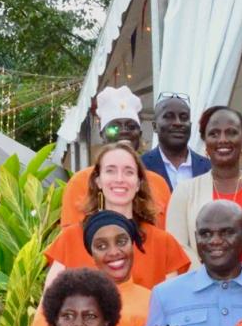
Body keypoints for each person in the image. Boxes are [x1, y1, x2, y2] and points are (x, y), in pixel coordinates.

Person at [43, 142, 192, 290]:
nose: (120, 179)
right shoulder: (71, 238)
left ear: (139, 183)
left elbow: (174, 307)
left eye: (129, 172)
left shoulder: (162, 244)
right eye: (110, 171)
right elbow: (48, 307)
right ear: (98, 181)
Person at [165, 105, 242, 264]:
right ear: (205, 142)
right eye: (214, 133)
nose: (222, 139)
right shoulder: (185, 193)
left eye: (231, 132)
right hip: (199, 286)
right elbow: (175, 249)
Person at [24, 210, 153, 326]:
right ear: (92, 254)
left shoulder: (153, 301)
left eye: (121, 242)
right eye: (101, 246)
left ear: (132, 245)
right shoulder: (64, 300)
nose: (114, 252)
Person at [61, 86, 172, 229]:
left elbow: (167, 238)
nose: (124, 131)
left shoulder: (158, 184)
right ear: (102, 134)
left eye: (131, 126)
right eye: (114, 127)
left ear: (140, 134)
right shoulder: (80, 182)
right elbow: (71, 242)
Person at [141, 93, 211, 192]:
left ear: (190, 125)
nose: (178, 123)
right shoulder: (140, 166)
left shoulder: (209, 168)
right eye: (169, 116)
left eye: (184, 117)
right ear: (155, 126)